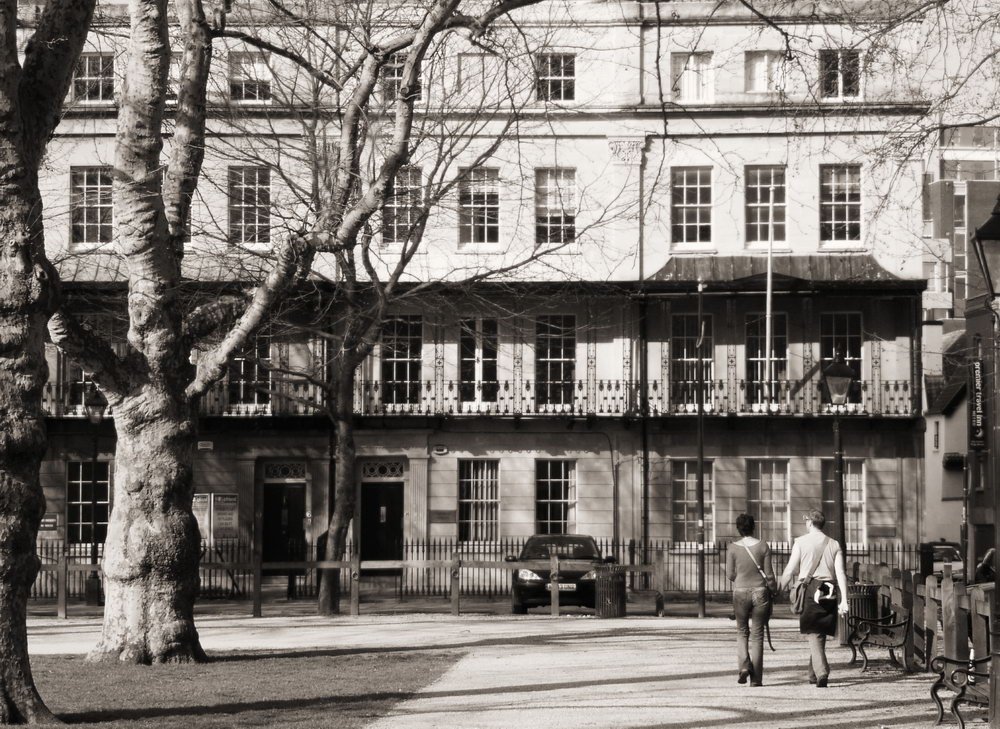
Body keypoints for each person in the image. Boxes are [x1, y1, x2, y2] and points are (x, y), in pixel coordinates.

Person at [778, 509, 849, 688]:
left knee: (813, 632)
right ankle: (813, 674)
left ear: (809, 522)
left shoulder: (801, 542)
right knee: (820, 631)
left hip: (811, 588)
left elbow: (790, 570)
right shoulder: (834, 544)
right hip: (830, 589)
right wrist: (844, 599)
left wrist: (778, 589)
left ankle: (822, 671)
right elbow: (841, 573)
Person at [726, 513, 775, 687]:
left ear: (738, 529)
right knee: (758, 635)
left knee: (741, 632)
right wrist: (774, 587)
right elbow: (769, 574)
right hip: (760, 592)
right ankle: (757, 679)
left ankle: (744, 666)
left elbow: (730, 574)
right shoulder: (763, 546)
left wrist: (741, 576)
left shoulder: (732, 548)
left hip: (740, 592)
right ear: (754, 527)